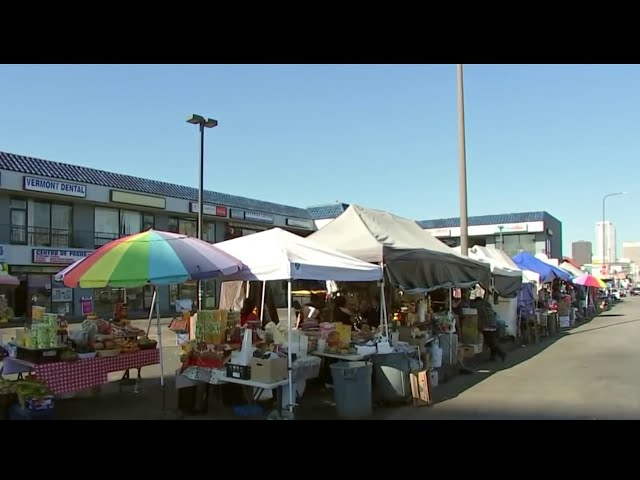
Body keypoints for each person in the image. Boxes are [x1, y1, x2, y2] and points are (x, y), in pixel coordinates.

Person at [473, 296, 506, 362]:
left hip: (486, 326)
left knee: (489, 342)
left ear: (477, 301)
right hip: (494, 325)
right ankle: (492, 357)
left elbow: (479, 318)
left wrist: (479, 327)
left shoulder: (478, 306)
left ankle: (501, 353)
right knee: (492, 341)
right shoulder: (487, 304)